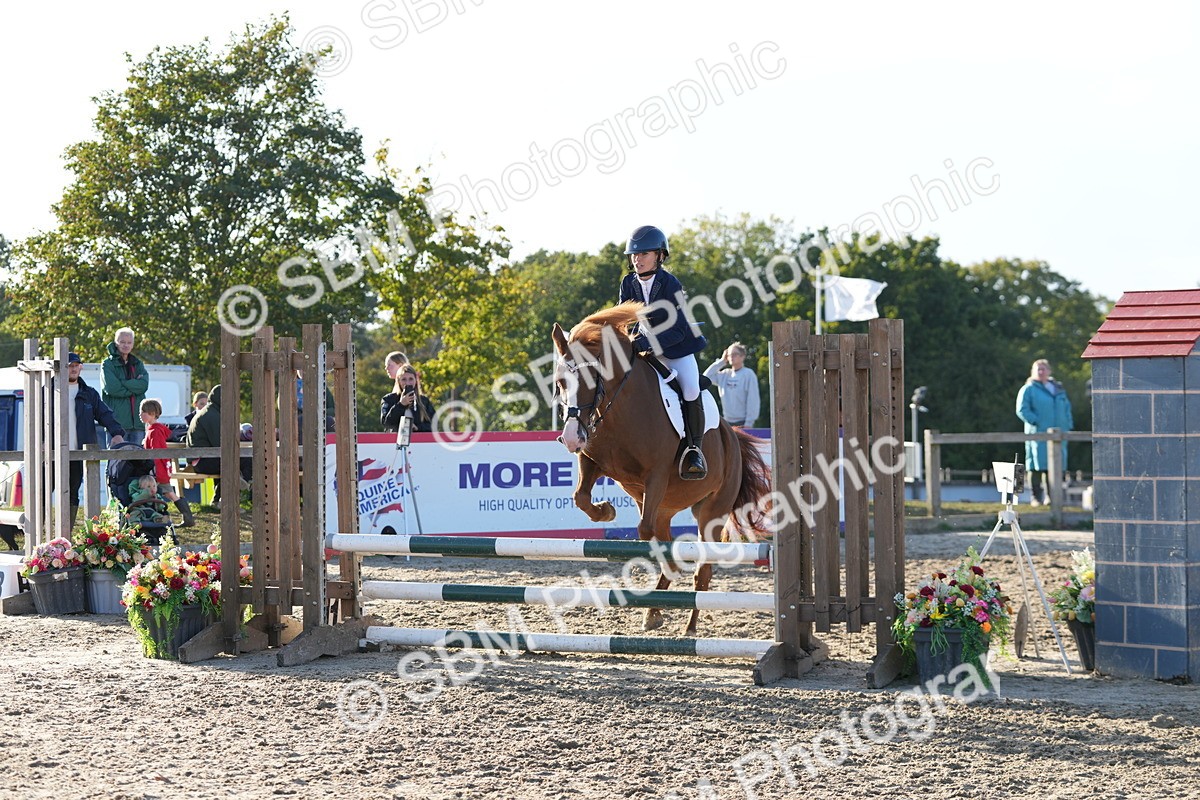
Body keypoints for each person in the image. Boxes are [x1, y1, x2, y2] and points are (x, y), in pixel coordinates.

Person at [619, 224, 709, 480]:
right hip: (645, 349)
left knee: (691, 389)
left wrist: (649, 343)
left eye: (644, 253)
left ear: (659, 255)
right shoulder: (628, 283)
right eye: (634, 254)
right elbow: (622, 318)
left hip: (677, 349)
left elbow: (679, 330)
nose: (638, 259)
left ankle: (694, 450)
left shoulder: (671, 284)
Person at [60, 352, 126, 526]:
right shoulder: (51, 391)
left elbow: (105, 414)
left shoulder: (89, 393)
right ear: (62, 368)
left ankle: (67, 532)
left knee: (73, 491)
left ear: (80, 367)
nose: (73, 369)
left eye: (76, 365)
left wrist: (116, 433)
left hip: (78, 452)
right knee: (46, 491)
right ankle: (41, 530)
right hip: (54, 451)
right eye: (69, 366)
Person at [1016, 358, 1074, 506]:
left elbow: (1067, 408)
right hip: (1038, 434)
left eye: (1043, 369)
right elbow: (1022, 410)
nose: (1041, 372)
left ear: (1049, 371)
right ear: (1033, 372)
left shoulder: (1058, 389)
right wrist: (1036, 422)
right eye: (1038, 369)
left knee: (1056, 466)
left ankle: (1053, 497)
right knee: (1035, 465)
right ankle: (1035, 497)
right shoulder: (1028, 389)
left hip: (1059, 434)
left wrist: (1068, 424)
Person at [186, 384, 251, 502]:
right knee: (246, 460)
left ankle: (220, 500)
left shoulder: (212, 412)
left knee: (231, 461)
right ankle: (241, 485)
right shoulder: (212, 415)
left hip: (204, 458)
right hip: (203, 461)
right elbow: (221, 443)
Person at [140, 398, 194, 527]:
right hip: (159, 469)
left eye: (143, 412)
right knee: (167, 493)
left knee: (167, 493)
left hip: (158, 470)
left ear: (152, 413)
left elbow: (158, 453)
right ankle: (186, 517)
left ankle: (187, 518)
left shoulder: (155, 431)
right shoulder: (152, 430)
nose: (140, 415)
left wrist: (155, 472)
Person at [101, 327, 149, 445]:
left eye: (129, 342)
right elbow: (112, 388)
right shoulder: (107, 364)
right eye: (122, 342)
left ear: (133, 344)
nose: (126, 345)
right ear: (116, 343)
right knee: (116, 461)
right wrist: (133, 387)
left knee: (138, 462)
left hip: (138, 423)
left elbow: (143, 386)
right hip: (116, 424)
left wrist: (122, 382)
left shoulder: (137, 363)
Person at [703, 342, 760, 428]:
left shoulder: (748, 374)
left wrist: (749, 423)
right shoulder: (724, 374)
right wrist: (722, 361)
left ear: (742, 356)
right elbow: (705, 377)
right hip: (727, 422)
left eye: (734, 354)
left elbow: (753, 400)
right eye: (729, 354)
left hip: (743, 423)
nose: (731, 357)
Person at [381, 363, 436, 434]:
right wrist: (401, 405)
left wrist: (417, 427)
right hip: (395, 441)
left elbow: (434, 424)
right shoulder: (389, 399)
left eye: (411, 379)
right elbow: (386, 423)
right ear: (398, 381)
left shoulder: (424, 401)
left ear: (415, 380)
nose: (407, 383)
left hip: (419, 442)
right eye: (404, 379)